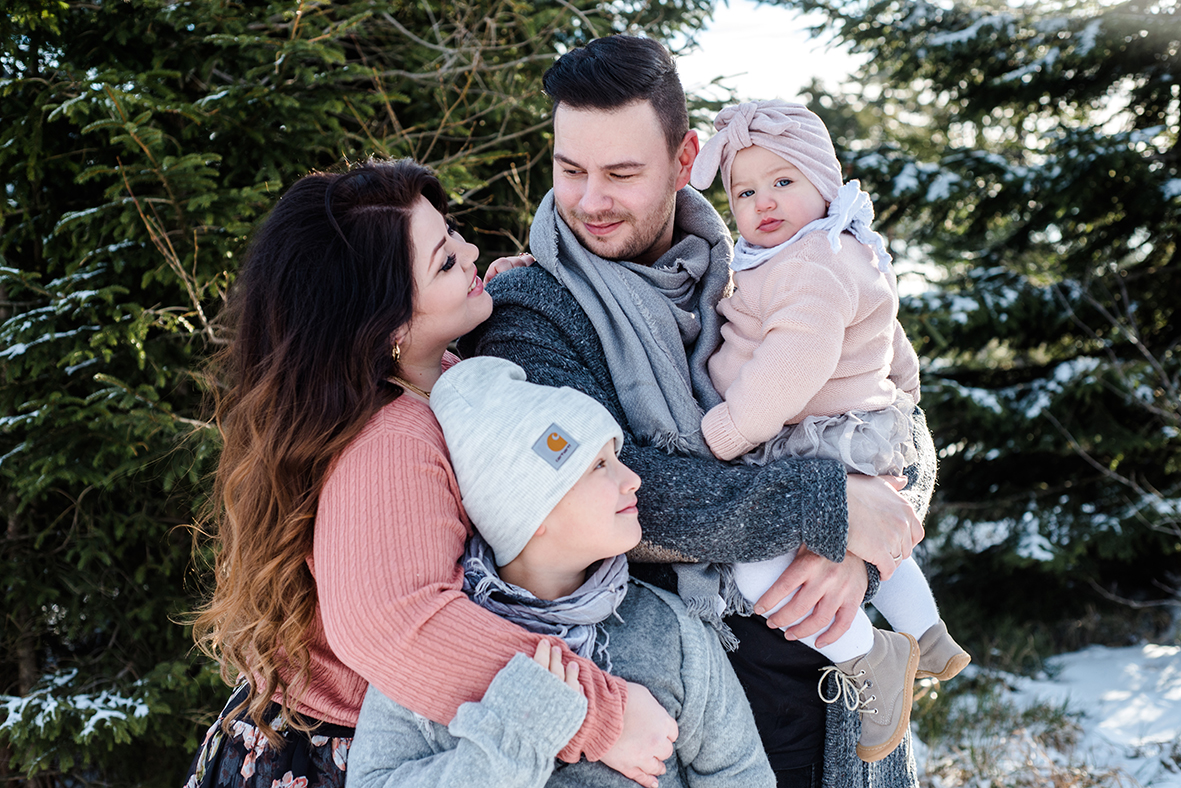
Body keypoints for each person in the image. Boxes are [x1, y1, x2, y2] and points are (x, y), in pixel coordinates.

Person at [459, 35, 936, 788]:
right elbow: (608, 496)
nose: (589, 200)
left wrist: (868, 535)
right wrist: (827, 506)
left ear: (686, 162)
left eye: (621, 173)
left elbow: (892, 405)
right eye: (570, 169)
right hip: (692, 717)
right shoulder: (532, 311)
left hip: (840, 698)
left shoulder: (766, 258)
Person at [185, 158, 678, 788]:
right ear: (385, 323)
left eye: (455, 236)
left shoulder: (432, 378)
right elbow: (397, 624)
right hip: (349, 757)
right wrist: (596, 714)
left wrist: (497, 299)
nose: (473, 251)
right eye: (445, 261)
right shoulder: (391, 439)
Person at [688, 99, 971, 763]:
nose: (764, 202)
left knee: (758, 569)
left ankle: (870, 655)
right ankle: (926, 634)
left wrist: (724, 433)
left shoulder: (805, 266)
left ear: (824, 180)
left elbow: (790, 368)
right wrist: (897, 399)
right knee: (882, 538)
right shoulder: (843, 250)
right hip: (862, 429)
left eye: (783, 182)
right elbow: (894, 348)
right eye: (745, 190)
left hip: (812, 436)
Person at [346, 356, 776, 788]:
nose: (633, 479)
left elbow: (740, 774)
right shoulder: (434, 651)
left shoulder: (669, 629)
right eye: (598, 465)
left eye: (615, 456)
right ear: (529, 511)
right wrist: (519, 733)